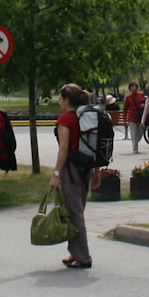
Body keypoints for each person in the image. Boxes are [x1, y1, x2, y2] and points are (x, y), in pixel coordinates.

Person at [50, 84, 100, 269]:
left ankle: (83, 257)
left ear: (67, 100)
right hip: (85, 169)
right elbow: (94, 146)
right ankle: (74, 252)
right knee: (77, 210)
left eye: (60, 99)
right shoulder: (86, 118)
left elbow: (64, 149)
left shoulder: (66, 119)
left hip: (71, 171)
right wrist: (97, 172)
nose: (59, 102)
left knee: (74, 213)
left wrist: (56, 174)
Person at [122, 82, 146, 154]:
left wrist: (143, 104)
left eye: (135, 86)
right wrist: (124, 119)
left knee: (140, 133)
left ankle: (136, 141)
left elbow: (146, 103)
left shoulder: (141, 95)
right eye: (132, 87)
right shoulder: (128, 97)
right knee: (133, 133)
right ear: (130, 88)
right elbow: (125, 109)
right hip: (132, 117)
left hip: (140, 116)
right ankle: (135, 147)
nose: (133, 88)